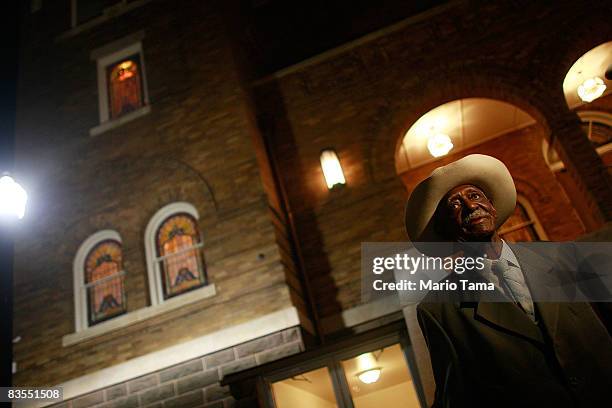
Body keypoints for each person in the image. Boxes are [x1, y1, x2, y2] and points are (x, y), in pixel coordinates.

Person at [404, 154, 612, 408]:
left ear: (492, 205)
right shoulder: (439, 308)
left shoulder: (563, 256)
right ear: (444, 231)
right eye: (454, 206)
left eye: (475, 196)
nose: (470, 207)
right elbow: (457, 396)